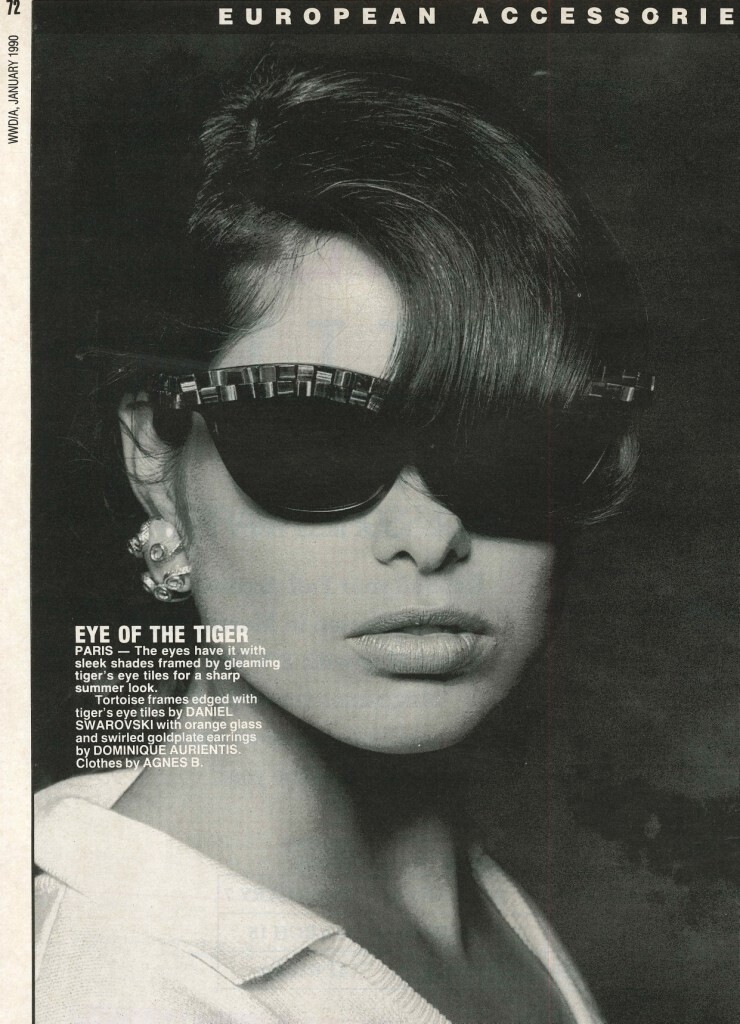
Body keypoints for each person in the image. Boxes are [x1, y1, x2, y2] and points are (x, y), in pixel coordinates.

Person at [34, 55, 653, 1024]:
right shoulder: (122, 986)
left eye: (509, 438)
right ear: (153, 452)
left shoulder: (469, 908)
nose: (430, 535)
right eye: (315, 438)